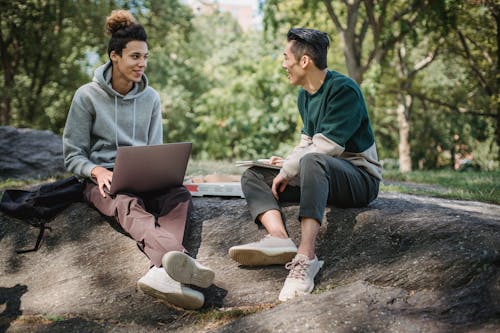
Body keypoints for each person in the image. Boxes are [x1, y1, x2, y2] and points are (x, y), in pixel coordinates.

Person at [62, 10, 214, 310]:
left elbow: (155, 148)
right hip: (102, 180)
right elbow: (72, 155)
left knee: (179, 195)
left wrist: (164, 173)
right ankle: (177, 261)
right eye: (134, 57)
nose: (141, 64)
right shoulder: (87, 96)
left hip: (143, 175)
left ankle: (161, 272)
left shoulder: (151, 98)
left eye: (145, 57)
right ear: (114, 56)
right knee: (126, 202)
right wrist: (95, 170)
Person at [228, 28, 382, 301]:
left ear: (304, 61)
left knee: (313, 161)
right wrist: (286, 163)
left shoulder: (344, 89)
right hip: (321, 173)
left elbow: (326, 147)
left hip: (359, 178)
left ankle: (306, 257)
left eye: (285, 56)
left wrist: (290, 168)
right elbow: (307, 142)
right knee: (254, 175)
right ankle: (279, 238)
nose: (282, 63)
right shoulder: (305, 95)